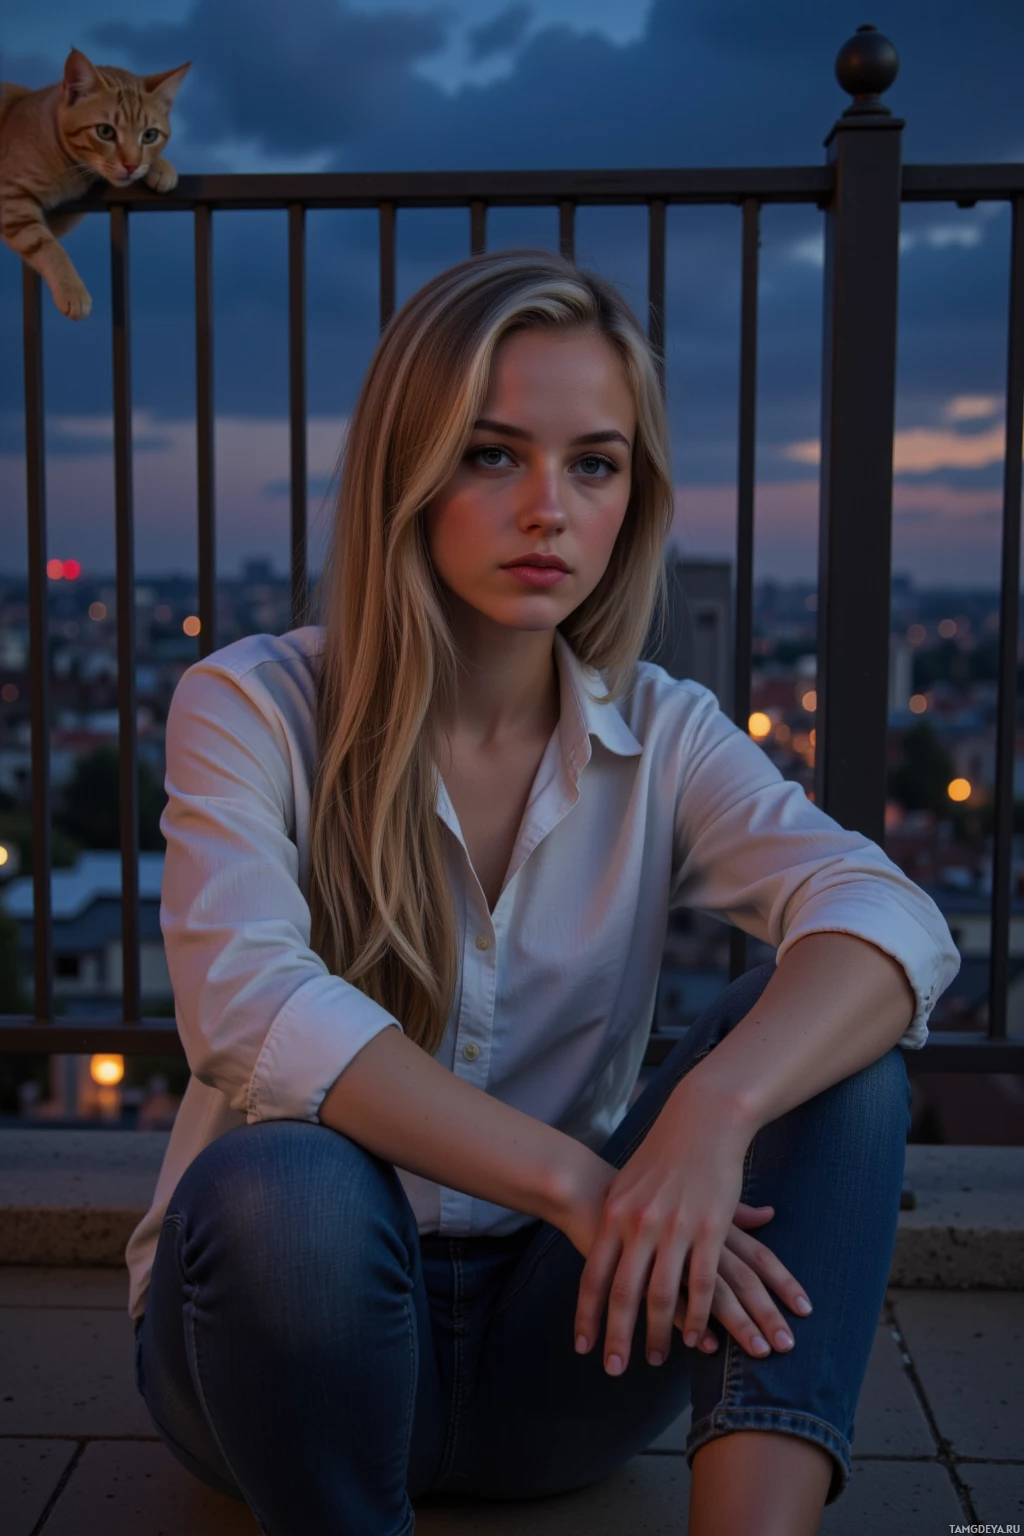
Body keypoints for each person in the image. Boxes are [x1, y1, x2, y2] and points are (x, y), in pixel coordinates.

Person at [127, 248, 960, 1536]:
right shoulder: (252, 704)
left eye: (594, 463)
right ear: (410, 468)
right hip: (295, 1349)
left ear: (635, 493)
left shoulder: (665, 734)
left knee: (840, 1059)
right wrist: (585, 1183)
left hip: (571, 1338)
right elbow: (251, 1013)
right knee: (280, 1180)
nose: (548, 511)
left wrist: (717, 1114)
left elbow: (888, 915)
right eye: (490, 452)